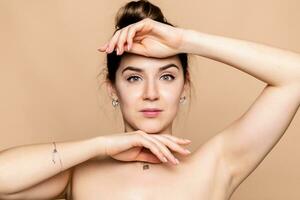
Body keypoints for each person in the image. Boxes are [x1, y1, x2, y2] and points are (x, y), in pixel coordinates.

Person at [0, 0, 300, 199]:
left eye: (167, 76)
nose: (151, 92)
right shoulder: (79, 173)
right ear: (113, 90)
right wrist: (100, 146)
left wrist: (184, 40)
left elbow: (295, 76)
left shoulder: (217, 165)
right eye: (134, 77)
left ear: (185, 86)